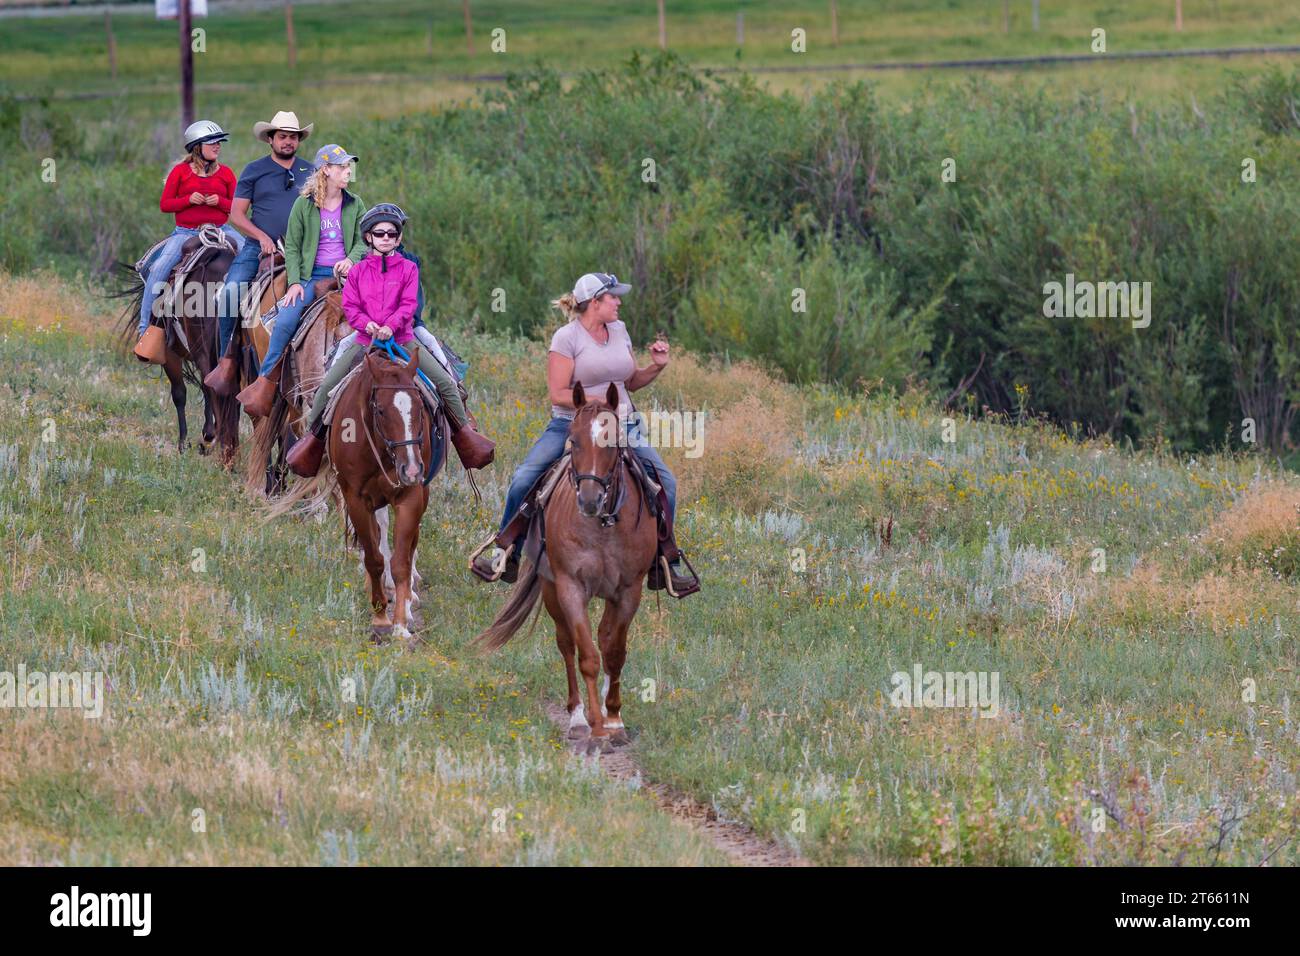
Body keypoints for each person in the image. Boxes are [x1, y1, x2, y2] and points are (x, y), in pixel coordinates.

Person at [470, 273, 699, 596]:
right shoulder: (567, 338)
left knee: (667, 485)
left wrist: (657, 367)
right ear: (595, 303)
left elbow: (629, 382)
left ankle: (665, 559)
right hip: (572, 424)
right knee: (524, 478)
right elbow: (557, 393)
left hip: (622, 425)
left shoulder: (619, 330)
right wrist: (597, 403)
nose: (619, 302)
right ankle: (505, 550)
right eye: (613, 297)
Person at [285, 204, 495, 477]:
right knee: (328, 386)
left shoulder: (408, 269)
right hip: (363, 340)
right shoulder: (358, 271)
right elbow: (351, 306)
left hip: (402, 338)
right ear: (369, 237)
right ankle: (312, 443)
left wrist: (390, 326)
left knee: (445, 383)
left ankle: (464, 435)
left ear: (398, 238)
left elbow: (409, 305)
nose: (385, 237)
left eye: (391, 233)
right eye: (379, 233)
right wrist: (367, 325)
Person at [235, 142, 366, 418]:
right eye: (342, 167)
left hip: (348, 279)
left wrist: (351, 260)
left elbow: (363, 242)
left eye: (348, 167)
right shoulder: (304, 205)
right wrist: (295, 282)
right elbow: (292, 247)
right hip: (312, 275)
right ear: (326, 170)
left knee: (379, 316)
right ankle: (265, 383)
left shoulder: (355, 204)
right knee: (283, 321)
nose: (347, 172)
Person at [204, 110, 317, 395]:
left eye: (293, 137)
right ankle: (227, 360)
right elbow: (236, 215)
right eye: (282, 136)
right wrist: (261, 236)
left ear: (298, 140)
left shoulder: (310, 171)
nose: (288, 142)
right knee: (231, 292)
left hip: (304, 249)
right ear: (270, 139)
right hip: (259, 247)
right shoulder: (254, 170)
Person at [137, 120, 244, 339]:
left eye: (219, 143)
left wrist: (221, 202)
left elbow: (238, 206)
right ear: (197, 146)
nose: (217, 146)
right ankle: (145, 329)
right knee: (159, 269)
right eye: (212, 142)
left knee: (254, 257)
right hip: (186, 232)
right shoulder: (180, 172)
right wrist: (188, 199)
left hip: (221, 230)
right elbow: (165, 204)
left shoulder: (226, 173)